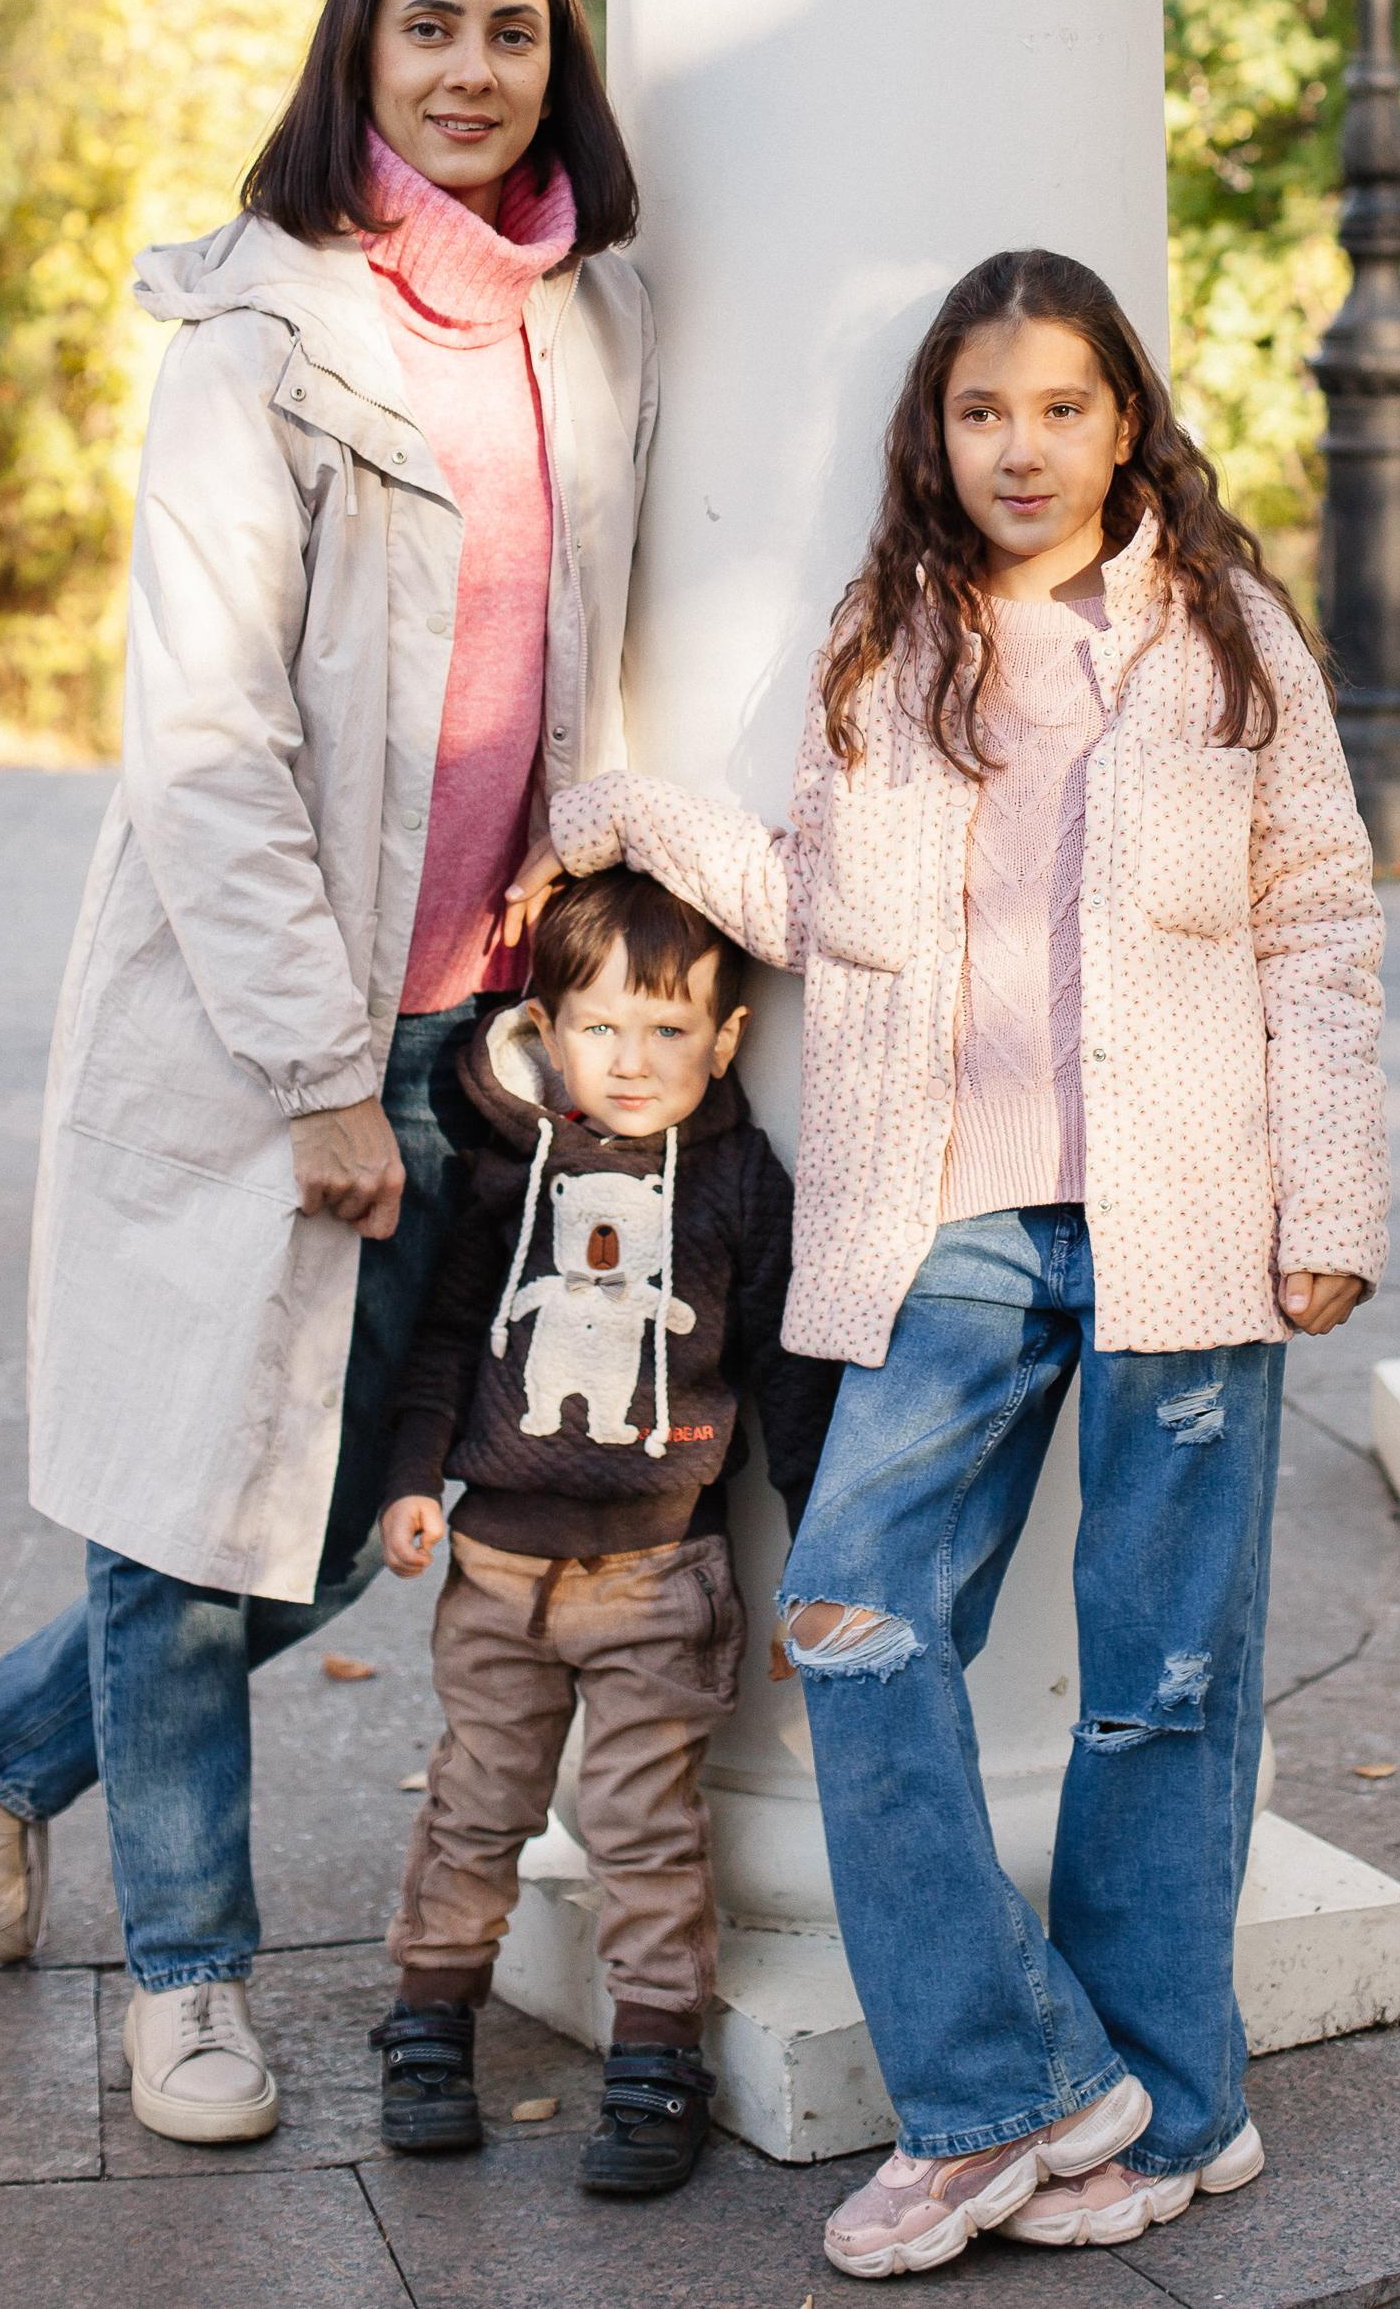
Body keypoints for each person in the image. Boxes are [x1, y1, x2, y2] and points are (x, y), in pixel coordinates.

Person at [0, 0, 656, 2148]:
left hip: (478, 1027)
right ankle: (186, 1984)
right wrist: (319, 1068)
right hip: (258, 1030)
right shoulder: (262, 337)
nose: (473, 69)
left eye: (511, 31)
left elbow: (574, 660)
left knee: (353, 1501)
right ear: (361, 53)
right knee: (188, 1507)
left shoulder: (588, 325)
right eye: (431, 29)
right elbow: (203, 736)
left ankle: (4, 1740)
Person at [518, 245, 1387, 2279]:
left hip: (1194, 1213)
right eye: (985, 409)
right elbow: (813, 897)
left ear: (1124, 419)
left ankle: (1179, 2110)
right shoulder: (888, 641)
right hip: (952, 1218)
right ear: (938, 428)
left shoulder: (1228, 637)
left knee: (1168, 1678)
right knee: (849, 1607)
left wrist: (1330, 1202)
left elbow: (1322, 925)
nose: (1023, 445)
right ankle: (1015, 2085)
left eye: (1063, 406)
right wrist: (624, 807)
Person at [368, 866, 835, 2197]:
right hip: (496, 1569)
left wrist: (815, 1554)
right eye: (600, 1027)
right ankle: (428, 2027)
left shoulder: (740, 1185)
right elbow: (449, 1339)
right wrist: (415, 1478)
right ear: (548, 1030)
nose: (631, 1061)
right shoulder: (509, 1170)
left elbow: (789, 1379)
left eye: (668, 1029)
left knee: (645, 1828)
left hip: (655, 1579)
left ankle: (652, 2059)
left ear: (726, 1039)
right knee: (474, 1807)